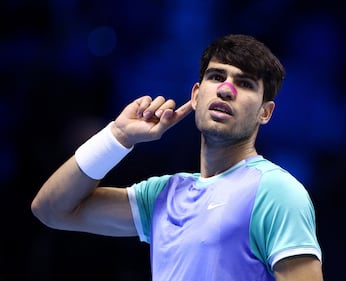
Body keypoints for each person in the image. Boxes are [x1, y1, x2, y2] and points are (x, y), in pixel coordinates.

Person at [31, 34, 323, 281]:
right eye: (216, 76)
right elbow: (52, 209)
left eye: (245, 83)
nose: (225, 89)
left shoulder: (277, 193)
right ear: (196, 96)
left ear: (265, 112)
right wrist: (118, 137)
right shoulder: (163, 195)